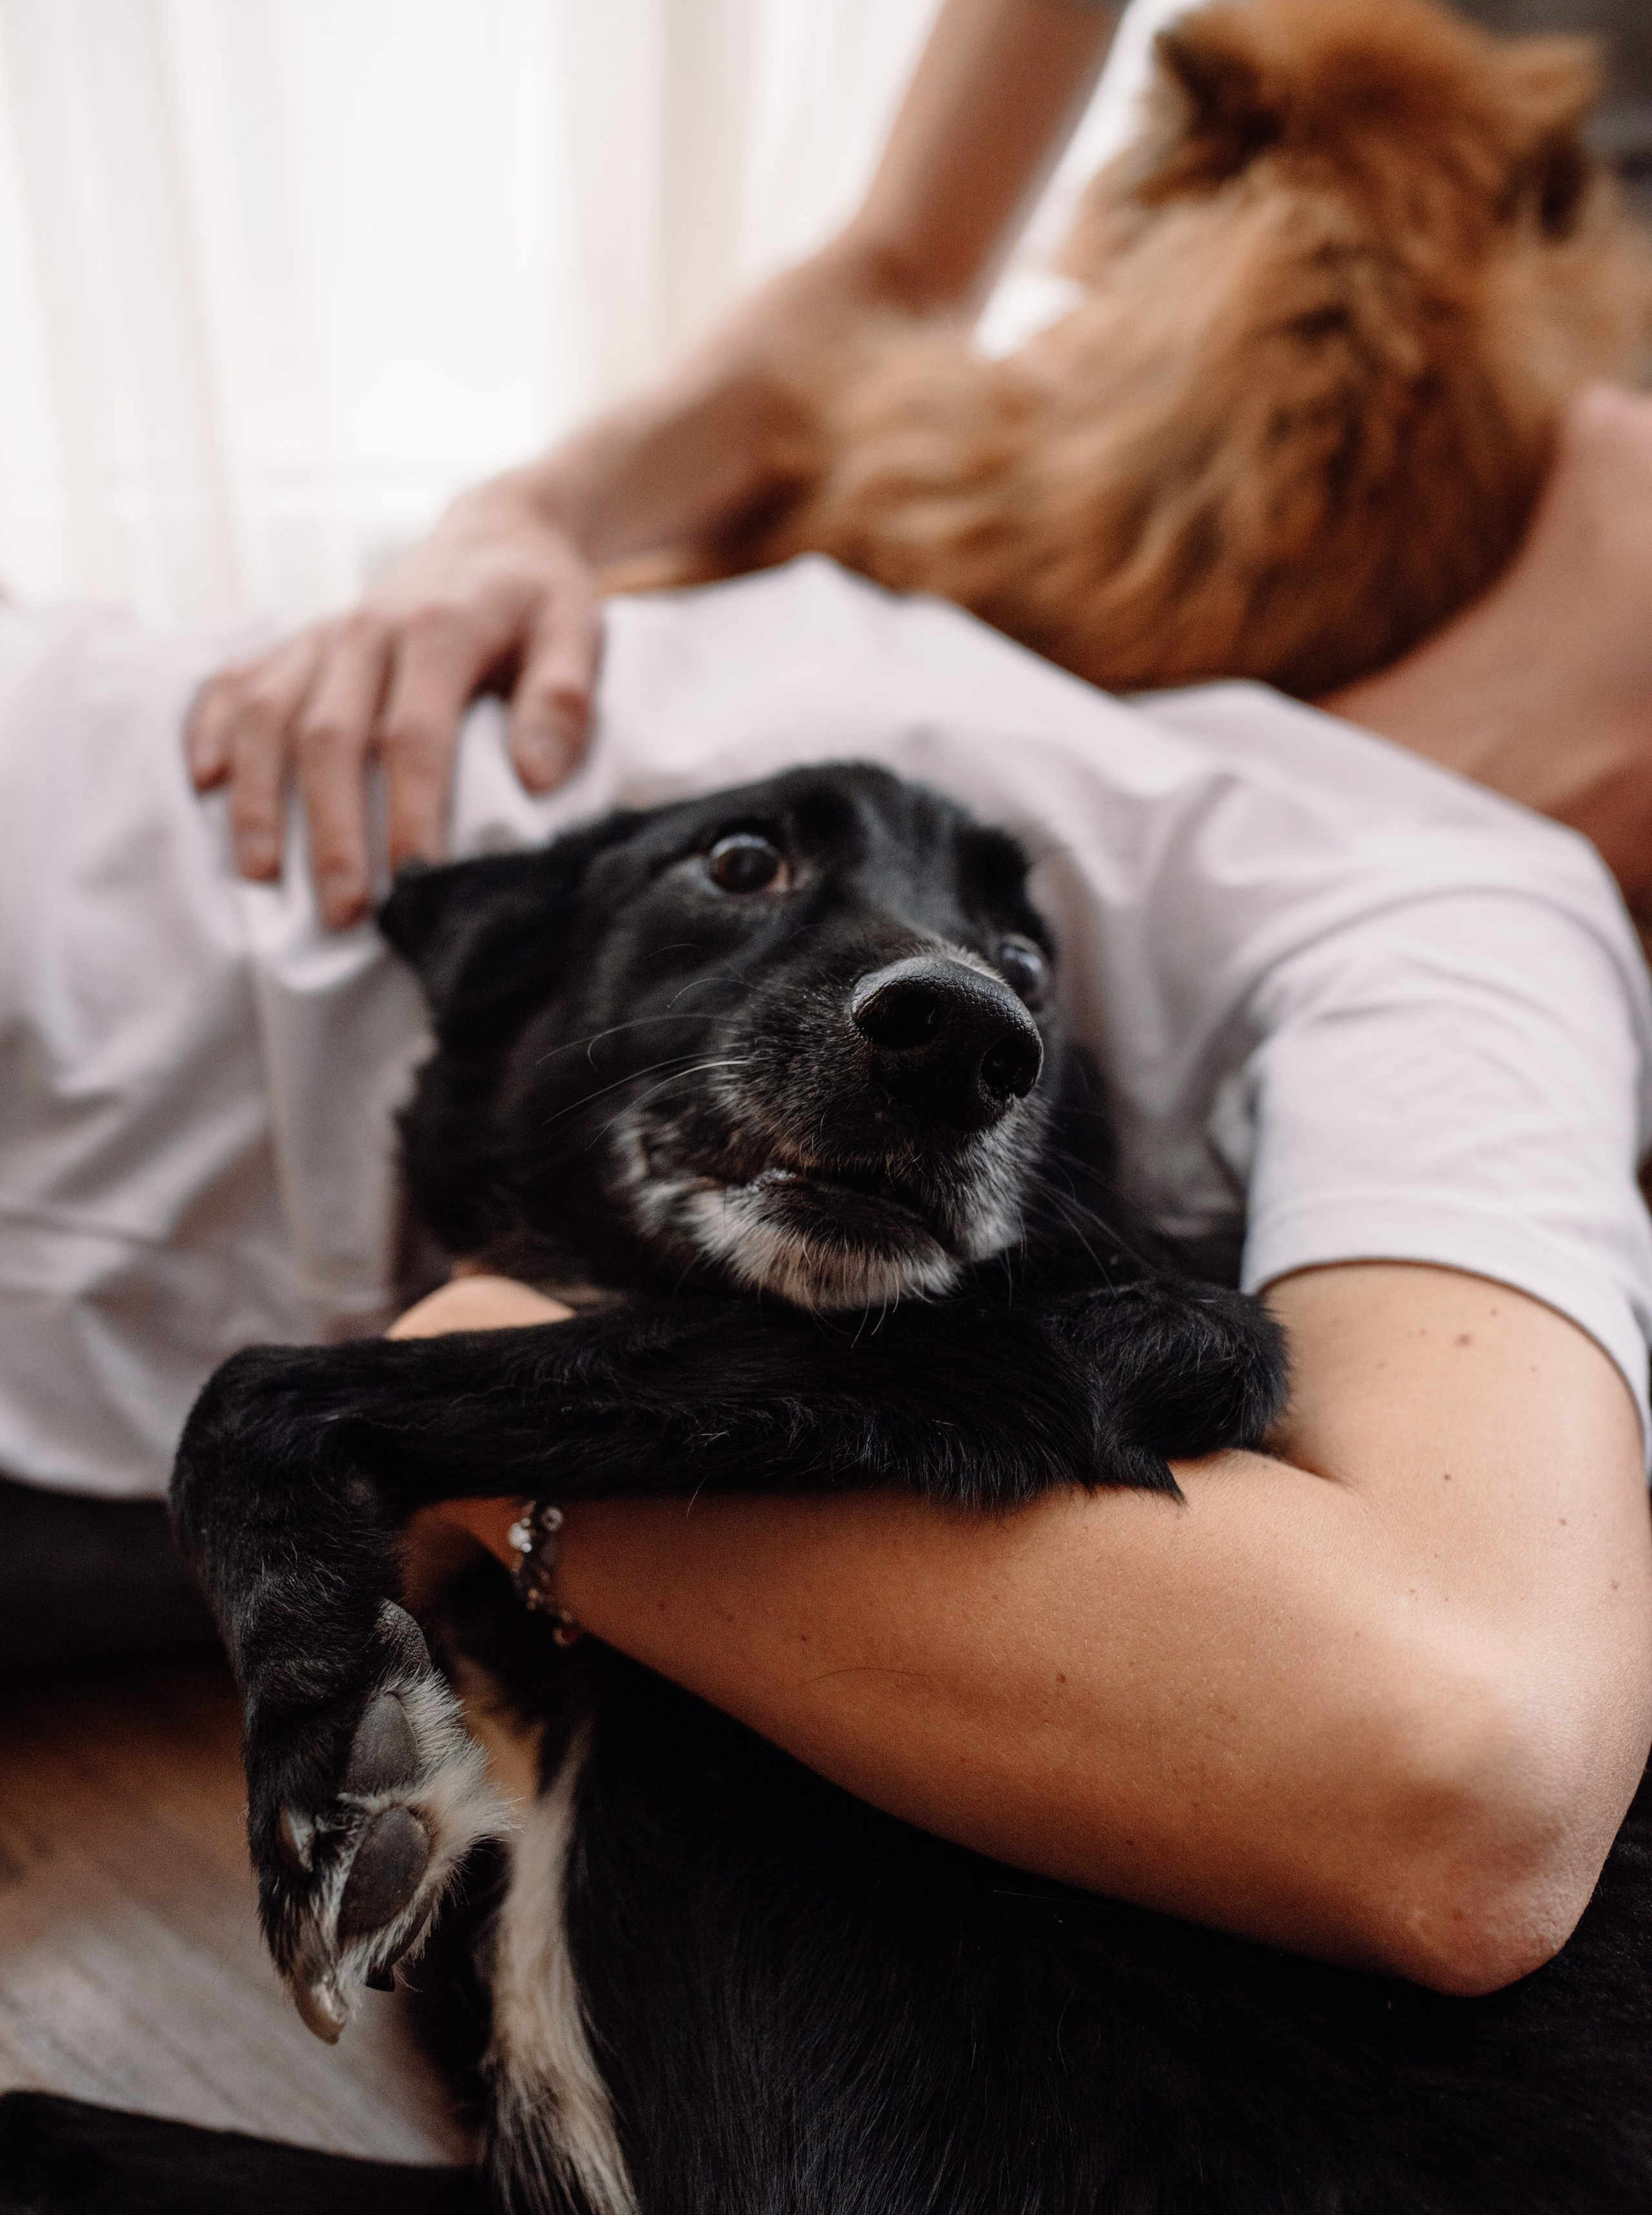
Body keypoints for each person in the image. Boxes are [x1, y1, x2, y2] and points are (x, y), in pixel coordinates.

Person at [10, 0, 1652, 1996]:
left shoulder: (1454, 906)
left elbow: (1469, 1761)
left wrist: (459, 1419)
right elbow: (892, 269)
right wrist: (511, 518)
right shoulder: (990, 566)